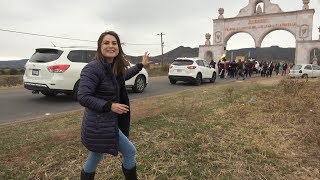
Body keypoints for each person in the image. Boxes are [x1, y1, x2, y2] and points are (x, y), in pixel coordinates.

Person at [77, 31, 151, 180]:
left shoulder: (112, 67)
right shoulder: (93, 68)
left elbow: (123, 76)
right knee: (130, 151)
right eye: (106, 43)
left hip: (106, 123)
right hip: (99, 124)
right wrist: (109, 106)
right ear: (99, 47)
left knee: (95, 154)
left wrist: (140, 65)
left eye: (114, 43)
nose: (111, 46)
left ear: (118, 47)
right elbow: (83, 96)